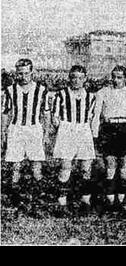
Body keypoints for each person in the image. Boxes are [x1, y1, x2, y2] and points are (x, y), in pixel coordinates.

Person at [2, 59, 51, 215]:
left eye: (26, 73)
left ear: (32, 72)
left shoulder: (42, 90)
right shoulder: (9, 90)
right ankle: (17, 202)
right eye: (20, 73)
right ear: (16, 73)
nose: (23, 77)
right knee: (15, 167)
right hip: (16, 129)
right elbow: (5, 113)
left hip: (34, 129)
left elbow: (46, 113)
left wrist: (47, 133)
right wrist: (3, 132)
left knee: (36, 167)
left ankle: (36, 202)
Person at [91, 65, 126, 214]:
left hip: (125, 129)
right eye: (114, 77)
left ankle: (122, 200)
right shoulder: (102, 92)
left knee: (124, 164)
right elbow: (96, 114)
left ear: (125, 78)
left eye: (119, 77)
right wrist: (95, 135)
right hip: (109, 129)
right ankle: (110, 201)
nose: (116, 80)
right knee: (110, 164)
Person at [51, 65, 97, 216]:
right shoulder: (62, 94)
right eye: (73, 77)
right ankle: (62, 203)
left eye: (80, 78)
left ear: (85, 79)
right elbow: (55, 118)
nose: (76, 81)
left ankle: (85, 202)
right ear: (69, 78)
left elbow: (91, 118)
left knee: (86, 168)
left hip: (84, 130)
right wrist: (64, 129)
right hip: (67, 129)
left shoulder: (91, 96)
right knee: (65, 167)